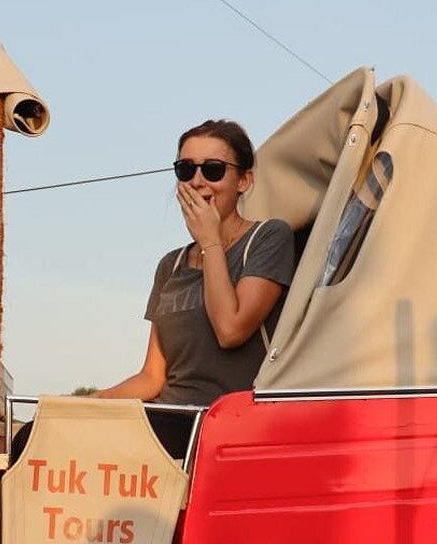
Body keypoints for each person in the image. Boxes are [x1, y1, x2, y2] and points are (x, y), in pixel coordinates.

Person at [95, 119, 294, 453]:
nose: (197, 180)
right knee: (33, 435)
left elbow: (230, 330)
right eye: (186, 170)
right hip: (168, 417)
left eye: (213, 170)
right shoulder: (170, 265)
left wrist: (210, 243)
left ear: (244, 180)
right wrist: (86, 403)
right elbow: (152, 377)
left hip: (224, 424)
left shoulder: (268, 238)